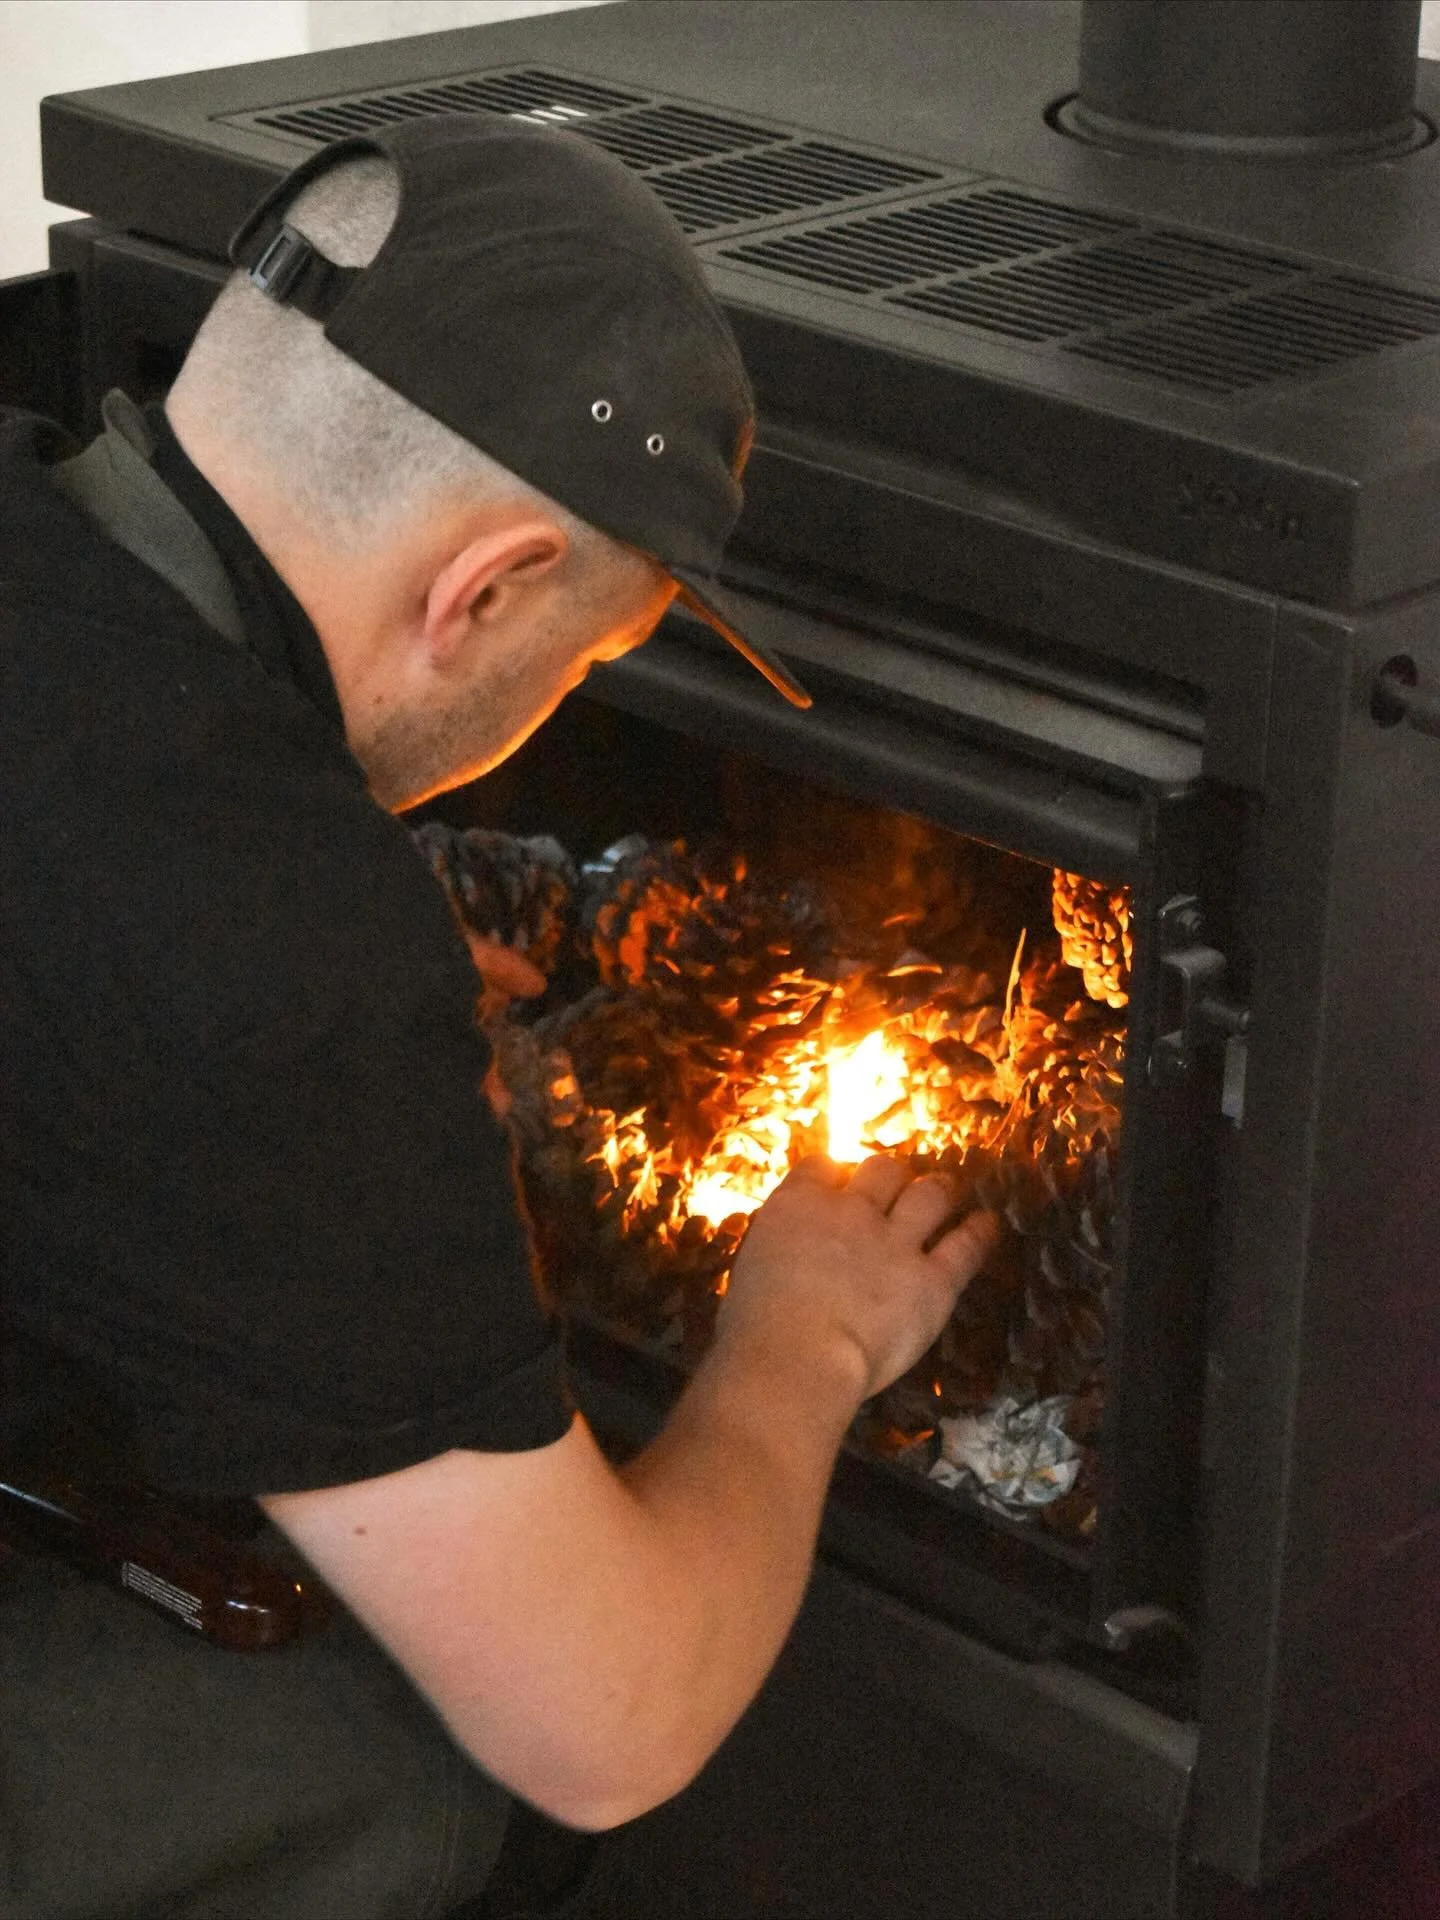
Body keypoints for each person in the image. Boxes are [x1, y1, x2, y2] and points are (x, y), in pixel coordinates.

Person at [0, 115, 994, 1917]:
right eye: (591, 666)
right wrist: (804, 1342)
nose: (568, 700)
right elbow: (606, 1719)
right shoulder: (257, 955)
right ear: (486, 589)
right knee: (400, 1761)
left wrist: (297, 985)